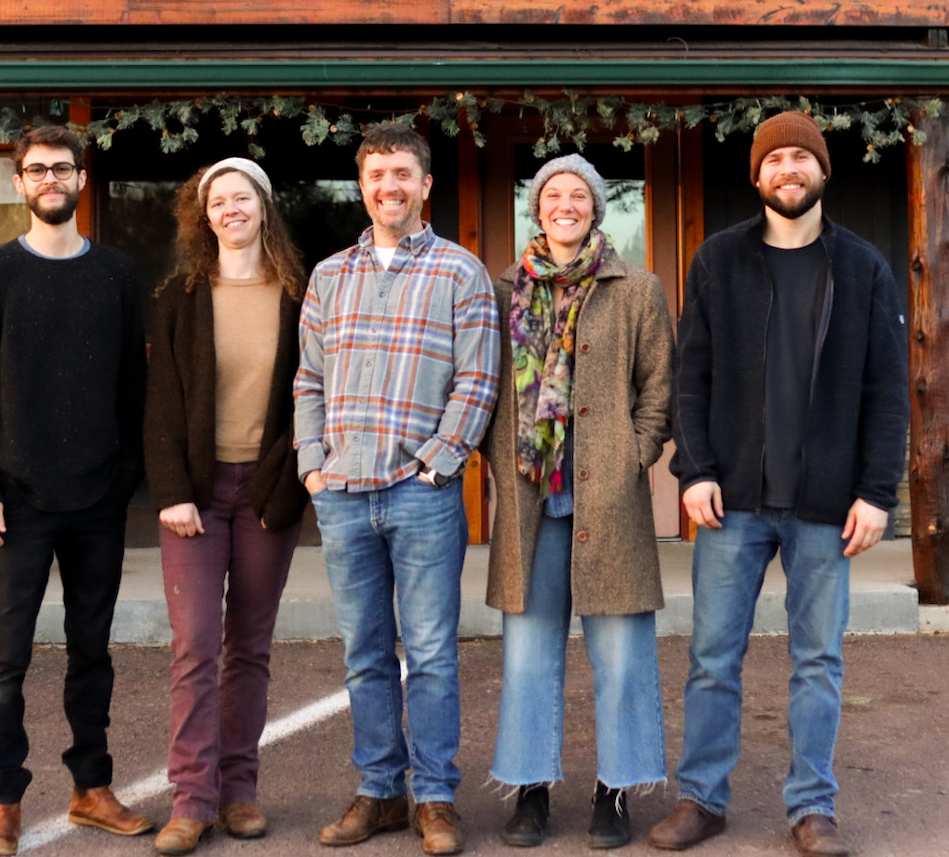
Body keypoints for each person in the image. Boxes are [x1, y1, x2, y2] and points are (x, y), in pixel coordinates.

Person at [649, 111, 908, 857]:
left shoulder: (861, 268)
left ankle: (812, 807)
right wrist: (694, 471)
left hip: (828, 505)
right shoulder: (719, 261)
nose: (788, 169)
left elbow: (888, 391)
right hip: (733, 501)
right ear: (756, 175)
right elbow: (688, 378)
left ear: (822, 172)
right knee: (711, 657)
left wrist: (878, 492)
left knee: (819, 660)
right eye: (775, 160)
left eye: (801, 157)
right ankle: (703, 798)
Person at [294, 122, 500, 857]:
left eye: (403, 174)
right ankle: (379, 791)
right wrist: (312, 464)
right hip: (344, 493)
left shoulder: (459, 272)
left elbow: (478, 379)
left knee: (434, 652)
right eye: (377, 174)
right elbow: (308, 379)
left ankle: (435, 798)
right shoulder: (329, 276)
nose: (390, 187)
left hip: (422, 493)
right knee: (365, 653)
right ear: (363, 184)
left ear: (425, 186)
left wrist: (439, 463)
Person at [0, 124, 152, 856]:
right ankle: (2, 800)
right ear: (20, 183)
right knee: (7, 655)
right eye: (36, 169)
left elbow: (136, 388)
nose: (50, 179)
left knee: (91, 651)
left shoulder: (117, 275)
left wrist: (126, 476)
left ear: (80, 179)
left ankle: (91, 788)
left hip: (97, 498)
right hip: (17, 499)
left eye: (61, 168)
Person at [483, 155, 675, 849]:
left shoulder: (637, 288)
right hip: (532, 501)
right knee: (529, 656)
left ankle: (614, 791)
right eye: (552, 194)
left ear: (596, 207)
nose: (565, 203)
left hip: (609, 501)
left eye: (579, 195)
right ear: (537, 209)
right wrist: (497, 464)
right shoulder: (503, 288)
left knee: (622, 658)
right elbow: (485, 386)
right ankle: (530, 788)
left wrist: (636, 453)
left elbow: (659, 387)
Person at [145, 158, 310, 855]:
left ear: (264, 208)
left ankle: (240, 791)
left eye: (242, 198)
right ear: (203, 214)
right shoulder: (179, 294)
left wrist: (286, 486)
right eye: (218, 201)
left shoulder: (302, 294)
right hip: (197, 493)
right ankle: (193, 798)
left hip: (267, 489)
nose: (230, 209)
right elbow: (159, 403)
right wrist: (173, 492)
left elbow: (310, 397)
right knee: (193, 647)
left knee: (249, 648)